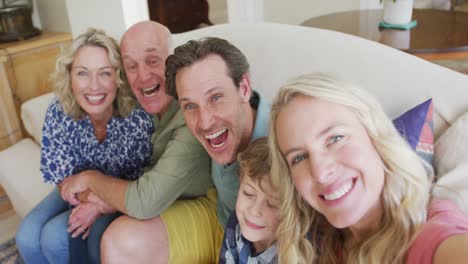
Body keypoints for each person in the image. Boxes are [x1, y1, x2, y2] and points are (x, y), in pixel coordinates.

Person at [100, 37, 270, 263]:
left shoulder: (283, 140)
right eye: (190, 106)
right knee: (119, 241)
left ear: (244, 88)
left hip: (267, 238)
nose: (205, 121)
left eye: (216, 97)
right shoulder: (202, 130)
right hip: (220, 218)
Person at [268, 73, 468, 263]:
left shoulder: (429, 237)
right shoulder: (322, 239)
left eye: (335, 139)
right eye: (299, 157)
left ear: (375, 135)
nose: (320, 173)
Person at [59, 21, 213, 263]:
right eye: (131, 66)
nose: (142, 76)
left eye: (153, 61)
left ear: (174, 61)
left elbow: (144, 200)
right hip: (155, 199)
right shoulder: (139, 104)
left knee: (105, 235)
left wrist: (90, 180)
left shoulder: (192, 115)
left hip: (199, 207)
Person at [15, 28, 154, 264]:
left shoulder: (137, 114)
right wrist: (93, 200)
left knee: (54, 236)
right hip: (76, 187)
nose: (93, 86)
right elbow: (62, 176)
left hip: (123, 192)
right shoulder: (60, 110)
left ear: (118, 77)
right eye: (82, 73)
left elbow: (143, 186)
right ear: (69, 76)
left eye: (105, 73)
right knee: (26, 237)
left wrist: (100, 207)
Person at [219, 137, 280, 264]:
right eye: (248, 193)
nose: (254, 211)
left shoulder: (295, 255)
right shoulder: (235, 225)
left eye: (272, 204)